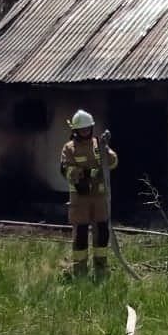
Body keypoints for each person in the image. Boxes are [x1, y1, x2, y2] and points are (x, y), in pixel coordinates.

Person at [59, 109, 118, 276]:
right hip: (80, 199)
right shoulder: (69, 148)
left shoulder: (98, 144)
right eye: (82, 129)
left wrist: (106, 151)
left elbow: (113, 162)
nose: (85, 132)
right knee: (81, 233)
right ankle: (80, 270)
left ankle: (101, 268)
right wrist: (89, 173)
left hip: (99, 198)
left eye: (87, 128)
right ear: (75, 130)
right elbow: (66, 170)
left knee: (102, 231)